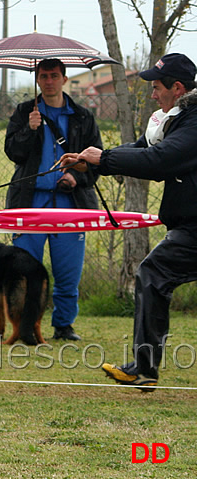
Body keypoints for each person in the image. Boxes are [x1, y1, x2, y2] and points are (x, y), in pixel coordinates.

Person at [62, 53, 197, 390]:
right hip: (189, 227)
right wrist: (90, 163)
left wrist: (103, 158)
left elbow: (160, 161)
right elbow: (142, 148)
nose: (153, 94)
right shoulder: (175, 119)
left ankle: (144, 368)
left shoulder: (195, 123)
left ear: (177, 88)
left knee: (153, 273)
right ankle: (144, 369)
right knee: (154, 273)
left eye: (157, 88)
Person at [4, 58, 103, 341]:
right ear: (37, 79)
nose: (49, 81)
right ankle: (25, 327)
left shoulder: (83, 116)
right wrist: (29, 129)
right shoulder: (25, 112)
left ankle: (63, 325)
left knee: (67, 273)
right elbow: (13, 152)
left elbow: (97, 160)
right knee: (24, 273)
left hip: (70, 205)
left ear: (64, 78)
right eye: (44, 76)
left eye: (54, 76)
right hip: (29, 204)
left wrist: (77, 178)